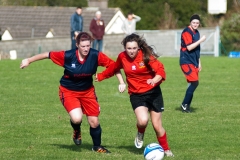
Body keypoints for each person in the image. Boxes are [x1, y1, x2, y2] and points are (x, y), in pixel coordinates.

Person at [20, 32, 125, 153]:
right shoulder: (68, 55)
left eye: (88, 46)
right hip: (68, 91)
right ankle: (76, 131)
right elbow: (47, 54)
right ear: (77, 45)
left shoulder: (96, 55)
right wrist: (28, 60)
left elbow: (114, 66)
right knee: (77, 119)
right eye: (83, 46)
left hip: (88, 92)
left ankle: (97, 146)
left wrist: (121, 82)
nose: (86, 49)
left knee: (94, 121)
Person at [95, 33, 174, 157]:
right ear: (125, 48)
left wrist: (154, 80)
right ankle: (140, 132)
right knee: (143, 121)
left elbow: (160, 71)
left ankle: (166, 149)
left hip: (153, 93)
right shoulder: (122, 57)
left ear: (138, 48)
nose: (131, 51)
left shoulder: (146, 55)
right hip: (136, 94)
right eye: (128, 48)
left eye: (134, 48)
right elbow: (114, 68)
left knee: (157, 126)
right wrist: (101, 76)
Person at [179, 14, 206, 113]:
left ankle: (186, 106)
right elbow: (189, 47)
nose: (195, 24)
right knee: (194, 82)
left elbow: (197, 49)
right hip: (186, 61)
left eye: (197, 23)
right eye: (194, 22)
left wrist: (199, 62)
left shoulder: (197, 32)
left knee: (193, 83)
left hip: (193, 61)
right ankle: (184, 104)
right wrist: (201, 40)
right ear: (190, 22)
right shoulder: (187, 32)